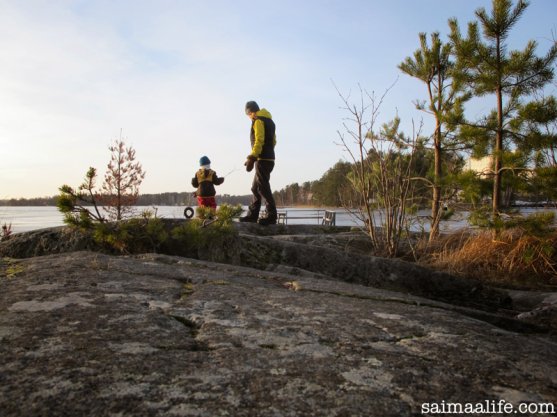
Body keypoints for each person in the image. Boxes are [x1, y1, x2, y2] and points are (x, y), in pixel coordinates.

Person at [240, 101, 277, 225]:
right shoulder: (270, 121)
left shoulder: (258, 121)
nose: (249, 118)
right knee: (255, 188)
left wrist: (252, 157)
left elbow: (259, 140)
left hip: (262, 159)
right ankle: (252, 215)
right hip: (269, 158)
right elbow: (274, 141)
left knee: (263, 187)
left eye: (248, 115)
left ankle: (271, 216)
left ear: (251, 112)